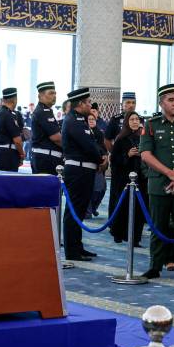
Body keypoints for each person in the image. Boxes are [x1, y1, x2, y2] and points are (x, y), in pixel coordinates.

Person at [140, 84, 174, 279]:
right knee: (158, 227)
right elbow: (146, 155)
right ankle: (155, 267)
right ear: (161, 103)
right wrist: (170, 174)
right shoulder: (151, 124)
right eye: (170, 100)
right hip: (159, 185)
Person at [62, 87, 103, 261]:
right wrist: (100, 159)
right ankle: (72, 250)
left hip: (84, 170)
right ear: (80, 104)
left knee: (79, 211)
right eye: (88, 102)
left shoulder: (80, 120)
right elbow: (88, 146)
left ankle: (77, 246)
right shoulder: (73, 120)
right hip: (77, 170)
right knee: (74, 210)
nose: (90, 105)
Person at [109, 111, 148, 246]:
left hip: (140, 178)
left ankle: (135, 238)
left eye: (137, 119)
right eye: (132, 119)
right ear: (127, 122)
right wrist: (128, 155)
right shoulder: (121, 139)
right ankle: (118, 233)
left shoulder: (143, 138)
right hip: (124, 180)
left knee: (139, 208)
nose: (135, 122)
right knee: (122, 207)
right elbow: (114, 160)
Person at [30, 81, 63, 175]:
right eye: (51, 93)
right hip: (46, 159)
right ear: (40, 96)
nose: (54, 96)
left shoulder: (46, 111)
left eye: (55, 93)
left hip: (46, 157)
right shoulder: (43, 111)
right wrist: (72, 149)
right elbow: (56, 138)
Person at [0, 87, 25, 172]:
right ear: (14, 100)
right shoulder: (8, 115)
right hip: (8, 154)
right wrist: (22, 154)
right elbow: (17, 140)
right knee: (10, 179)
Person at [87, 111, 109, 216]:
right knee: (89, 189)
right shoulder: (83, 133)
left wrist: (105, 157)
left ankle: (93, 207)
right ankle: (88, 210)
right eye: (89, 119)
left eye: (93, 119)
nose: (91, 121)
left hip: (99, 165)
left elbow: (103, 148)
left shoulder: (100, 133)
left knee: (101, 189)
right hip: (87, 164)